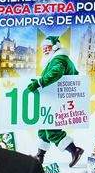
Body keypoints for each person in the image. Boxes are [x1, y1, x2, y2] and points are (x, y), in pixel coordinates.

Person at [23, 34, 85, 166]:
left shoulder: (59, 59)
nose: (45, 49)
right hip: (56, 99)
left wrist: (39, 83)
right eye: (43, 48)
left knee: (51, 130)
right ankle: (40, 156)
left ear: (55, 47)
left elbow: (56, 73)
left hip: (60, 100)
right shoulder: (54, 59)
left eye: (48, 47)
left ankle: (75, 150)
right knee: (43, 127)